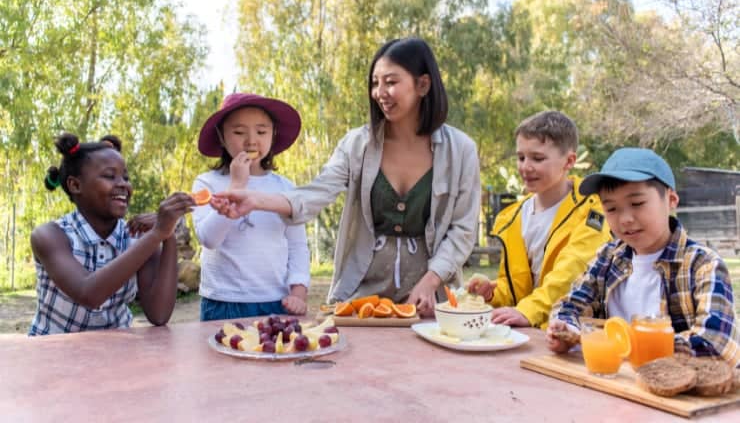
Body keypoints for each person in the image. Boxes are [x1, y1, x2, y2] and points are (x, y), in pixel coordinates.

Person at [212, 37, 481, 317]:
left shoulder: (461, 151)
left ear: (423, 85)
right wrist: (254, 199)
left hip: (429, 298)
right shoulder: (356, 145)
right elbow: (316, 193)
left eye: (390, 82)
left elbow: (463, 230)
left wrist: (431, 281)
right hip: (362, 292)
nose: (379, 92)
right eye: (375, 83)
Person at [546, 148, 740, 367]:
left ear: (671, 200)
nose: (625, 219)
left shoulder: (702, 265)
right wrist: (566, 330)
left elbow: (718, 344)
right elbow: (571, 306)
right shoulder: (608, 257)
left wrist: (639, 344)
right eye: (611, 208)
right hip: (617, 386)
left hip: (679, 392)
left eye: (637, 204)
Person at [29, 133, 193, 335]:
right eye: (109, 176)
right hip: (53, 354)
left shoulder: (138, 238)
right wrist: (157, 233)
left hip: (116, 353)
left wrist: (167, 236)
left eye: (125, 177)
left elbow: (159, 315)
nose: (123, 184)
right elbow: (88, 293)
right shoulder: (50, 236)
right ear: (75, 185)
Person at [467, 111, 611, 328]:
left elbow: (570, 276)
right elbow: (517, 285)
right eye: (521, 157)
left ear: (569, 161)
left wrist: (527, 311)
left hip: (569, 332)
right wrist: (492, 293)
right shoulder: (513, 217)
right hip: (525, 332)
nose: (526, 167)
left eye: (538, 158)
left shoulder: (592, 212)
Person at [194, 92, 310, 321]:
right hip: (222, 301)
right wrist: (237, 184)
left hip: (276, 300)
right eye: (238, 132)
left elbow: (298, 246)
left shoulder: (286, 188)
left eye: (261, 131)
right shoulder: (207, 183)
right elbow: (208, 239)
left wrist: (298, 292)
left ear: (273, 135)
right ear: (221, 136)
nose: (251, 141)